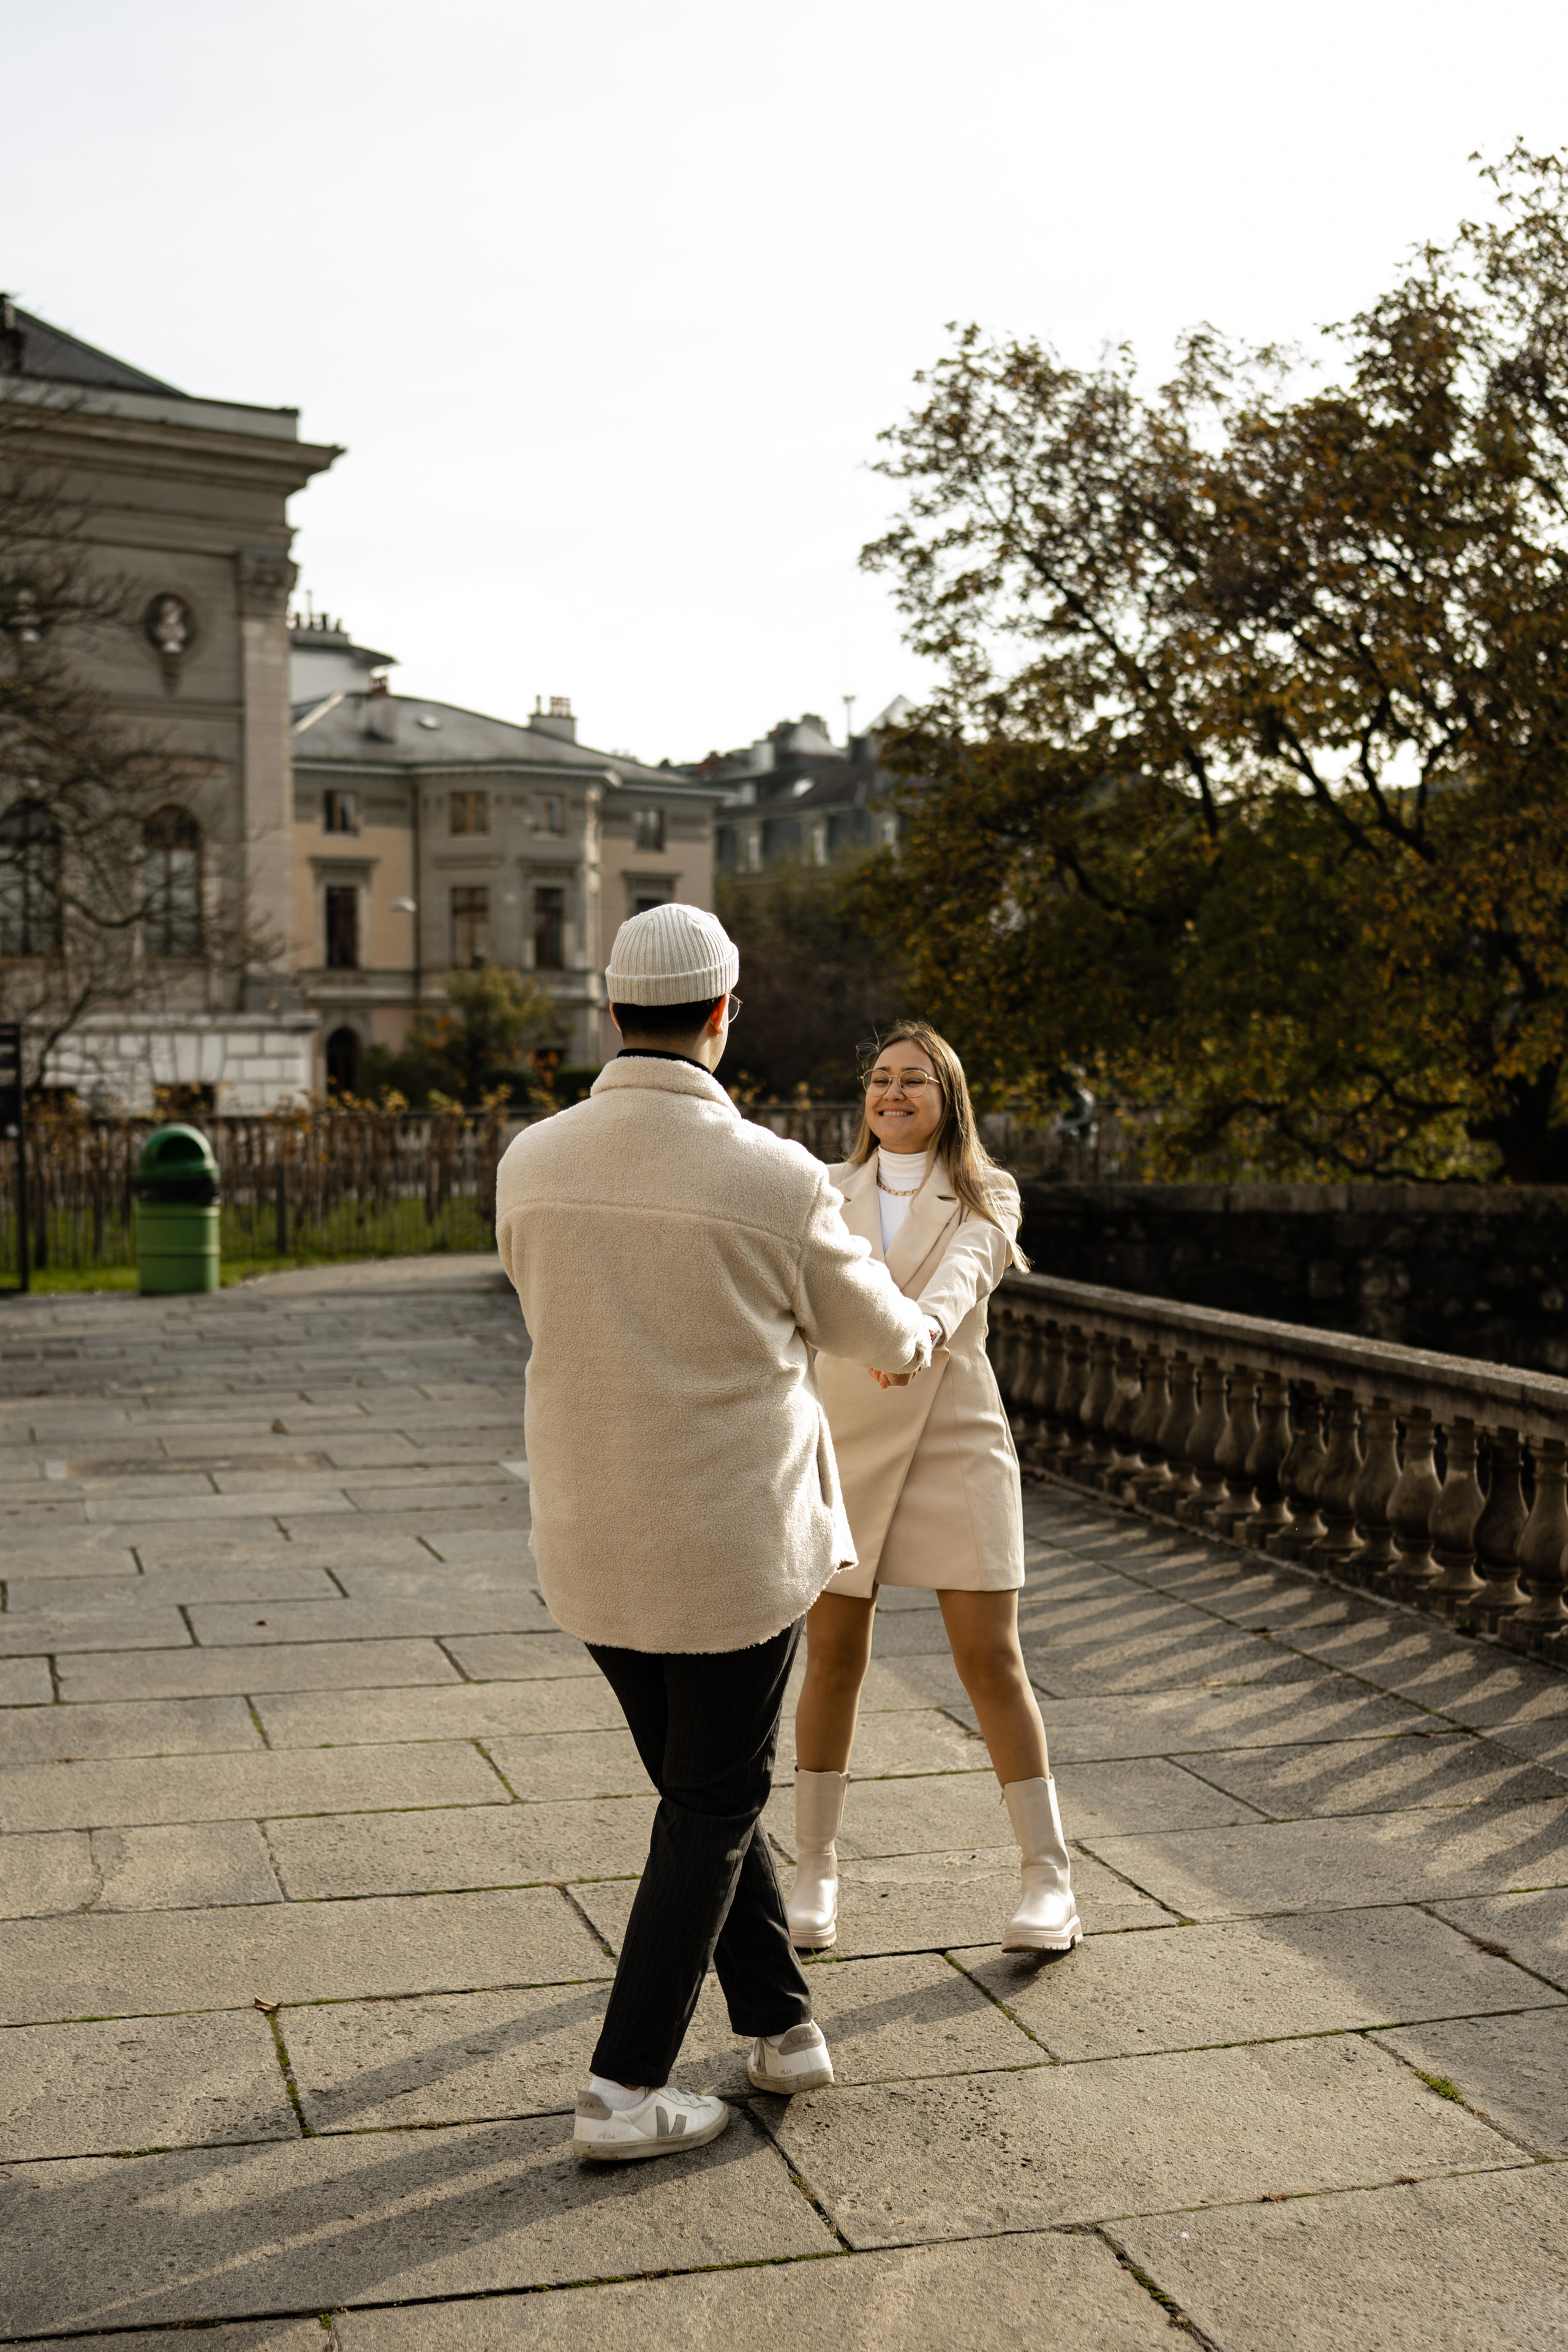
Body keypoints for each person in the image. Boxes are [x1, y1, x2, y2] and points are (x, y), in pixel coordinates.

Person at [494, 903, 933, 2163]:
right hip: (732, 1548)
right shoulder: (771, 1175)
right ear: (724, 1012)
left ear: (609, 1008)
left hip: (587, 1535)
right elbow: (877, 1337)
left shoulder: (532, 1160)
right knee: (711, 1801)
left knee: (703, 1796)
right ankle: (622, 2090)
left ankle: (782, 2029)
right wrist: (916, 1341)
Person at [786, 1019, 1082, 1957]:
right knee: (831, 1658)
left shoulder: (989, 1192)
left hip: (955, 1431)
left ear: (948, 1098)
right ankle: (815, 1870)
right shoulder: (822, 1192)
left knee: (991, 1660)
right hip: (842, 1437)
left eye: (913, 1080)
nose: (892, 1094)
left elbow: (965, 1278)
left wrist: (909, 1338)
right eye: (879, 1079)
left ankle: (1049, 1880)